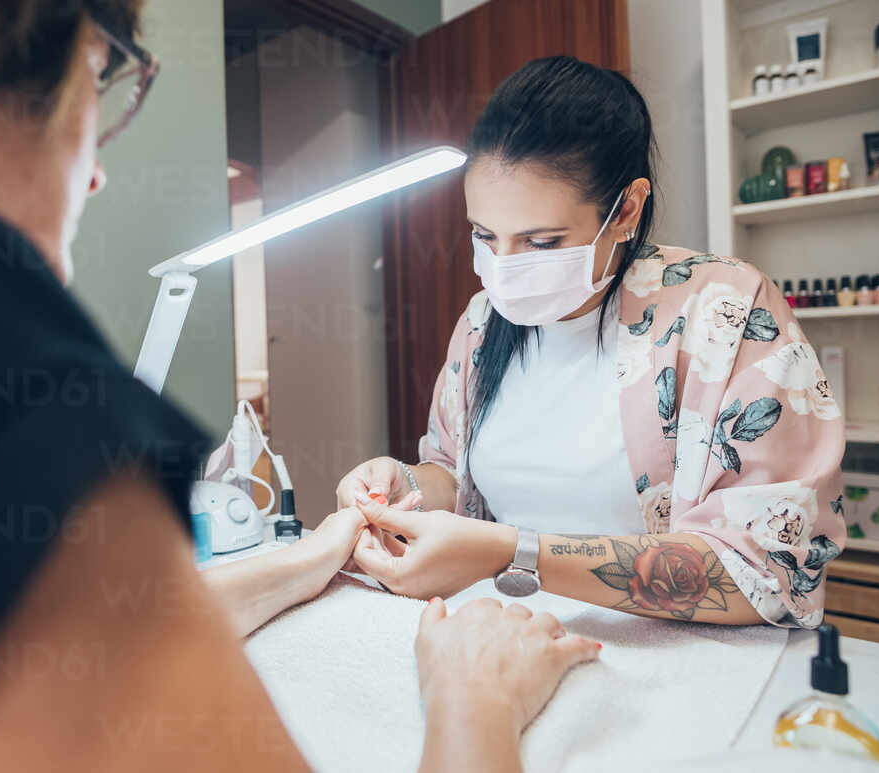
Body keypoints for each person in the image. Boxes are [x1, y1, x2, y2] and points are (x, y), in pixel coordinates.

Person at [0, 0, 597, 771]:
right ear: (64, 49)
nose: (93, 175)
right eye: (105, 77)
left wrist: (308, 559)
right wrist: (474, 697)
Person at [338, 57, 846, 629]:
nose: (503, 269)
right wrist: (402, 484)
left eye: (543, 242)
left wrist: (516, 554)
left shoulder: (726, 311)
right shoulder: (482, 323)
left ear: (626, 209)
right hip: (499, 638)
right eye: (484, 236)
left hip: (678, 655)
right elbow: (454, 476)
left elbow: (767, 574)